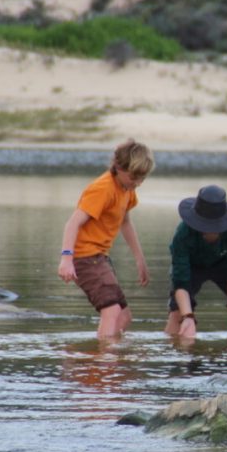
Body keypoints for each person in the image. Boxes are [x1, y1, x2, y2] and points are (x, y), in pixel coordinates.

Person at [57, 139, 153, 340]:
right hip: (84, 257)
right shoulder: (102, 189)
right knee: (111, 311)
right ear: (118, 167)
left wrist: (139, 258)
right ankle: (104, 362)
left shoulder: (127, 189)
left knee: (124, 317)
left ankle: (103, 360)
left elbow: (125, 221)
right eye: (134, 177)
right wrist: (66, 259)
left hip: (99, 257)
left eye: (142, 178)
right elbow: (72, 223)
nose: (137, 183)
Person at [164, 184, 227, 338]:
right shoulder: (183, 234)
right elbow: (181, 281)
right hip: (192, 267)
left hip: (222, 264)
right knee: (178, 312)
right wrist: (188, 317)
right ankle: (173, 353)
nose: (209, 230)